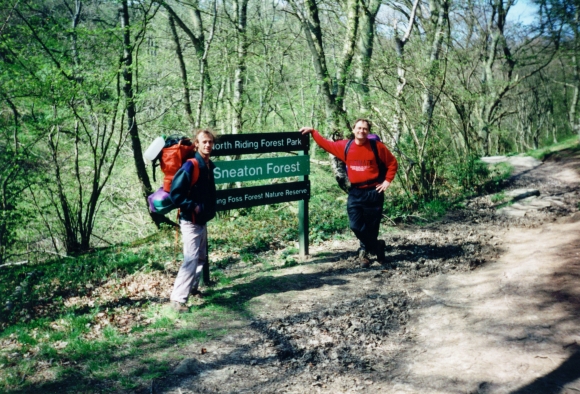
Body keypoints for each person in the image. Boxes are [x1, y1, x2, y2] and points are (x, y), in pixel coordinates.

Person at [300, 119, 398, 268]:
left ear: (368, 131)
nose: (361, 131)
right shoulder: (345, 146)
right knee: (355, 225)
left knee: (372, 226)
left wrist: (387, 181)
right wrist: (313, 132)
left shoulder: (376, 146)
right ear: (353, 130)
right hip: (355, 192)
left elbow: (392, 163)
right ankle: (377, 246)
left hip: (373, 191)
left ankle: (364, 253)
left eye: (365, 129)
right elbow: (326, 144)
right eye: (359, 128)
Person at [168, 129, 217, 313]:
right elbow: (176, 194)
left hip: (201, 220)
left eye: (210, 142)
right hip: (190, 220)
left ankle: (192, 288)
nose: (208, 145)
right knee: (191, 259)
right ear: (196, 144)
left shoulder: (208, 165)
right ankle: (177, 300)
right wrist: (193, 206)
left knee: (201, 257)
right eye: (204, 142)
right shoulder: (191, 165)